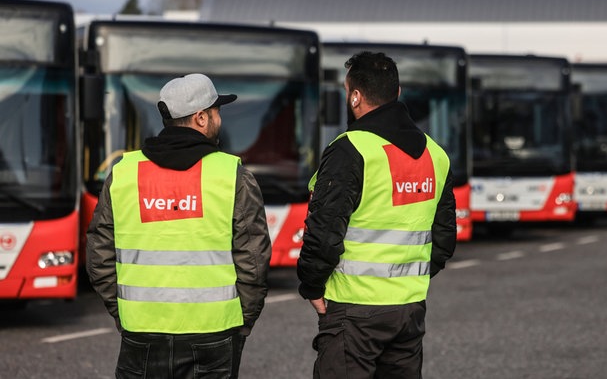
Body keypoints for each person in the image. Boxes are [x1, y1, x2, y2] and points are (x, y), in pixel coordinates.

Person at [86, 73, 272, 379]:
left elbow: (98, 255)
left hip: (141, 332)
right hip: (214, 334)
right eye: (216, 113)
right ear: (201, 118)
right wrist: (241, 323)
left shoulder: (124, 173)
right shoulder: (233, 176)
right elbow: (254, 261)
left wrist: (125, 312)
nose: (219, 120)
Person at [297, 52, 457, 378]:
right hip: (409, 308)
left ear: (355, 96)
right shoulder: (435, 154)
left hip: (353, 310)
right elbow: (444, 238)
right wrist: (410, 280)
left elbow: (324, 232)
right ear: (396, 94)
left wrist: (311, 285)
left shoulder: (351, 149)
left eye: (347, 92)